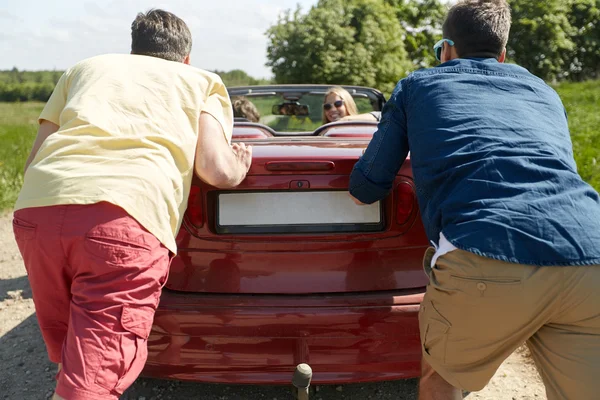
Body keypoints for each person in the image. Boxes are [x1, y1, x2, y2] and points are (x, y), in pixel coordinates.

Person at [348, 0, 600, 399]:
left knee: (443, 379)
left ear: (445, 49)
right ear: (501, 55)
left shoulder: (418, 85)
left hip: (487, 251)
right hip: (591, 254)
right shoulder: (544, 92)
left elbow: (367, 186)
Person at [12, 9, 252, 400]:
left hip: (39, 209)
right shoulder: (202, 81)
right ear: (186, 58)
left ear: (134, 50)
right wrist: (238, 168)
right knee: (91, 380)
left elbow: (34, 160)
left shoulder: (83, 69)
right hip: (124, 220)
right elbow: (214, 168)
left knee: (72, 347)